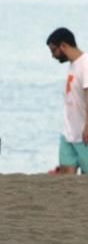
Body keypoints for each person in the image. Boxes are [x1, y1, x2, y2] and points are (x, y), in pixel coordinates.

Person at [46, 28, 88, 174]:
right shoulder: (72, 66)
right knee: (66, 178)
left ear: (63, 46)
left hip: (84, 134)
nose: (53, 56)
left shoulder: (85, 64)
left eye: (53, 51)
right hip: (68, 133)